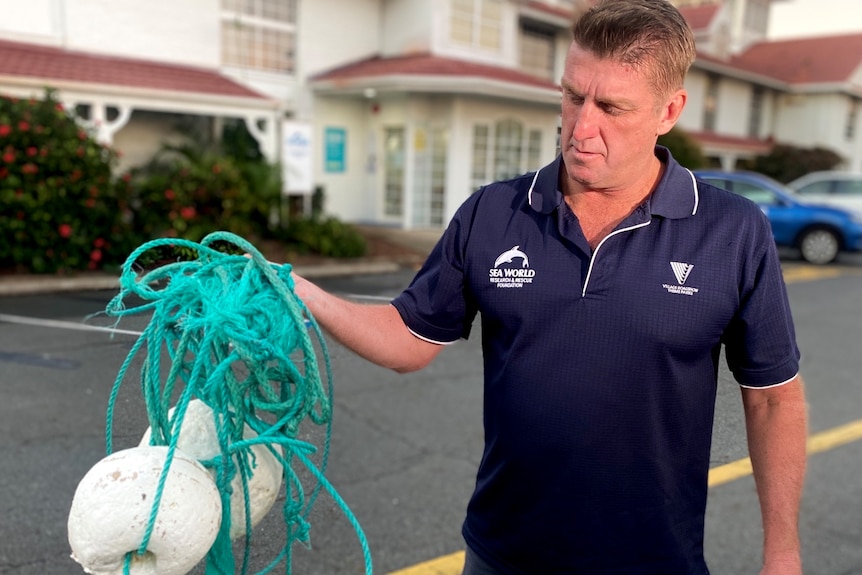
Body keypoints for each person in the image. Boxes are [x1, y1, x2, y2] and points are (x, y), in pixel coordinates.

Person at [291, 0, 808, 572]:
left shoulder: (732, 231)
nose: (582, 127)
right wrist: (300, 292)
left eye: (612, 107)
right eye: (572, 95)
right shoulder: (493, 213)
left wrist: (781, 552)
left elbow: (772, 398)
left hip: (654, 560)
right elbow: (407, 338)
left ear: (669, 110)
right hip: (503, 556)